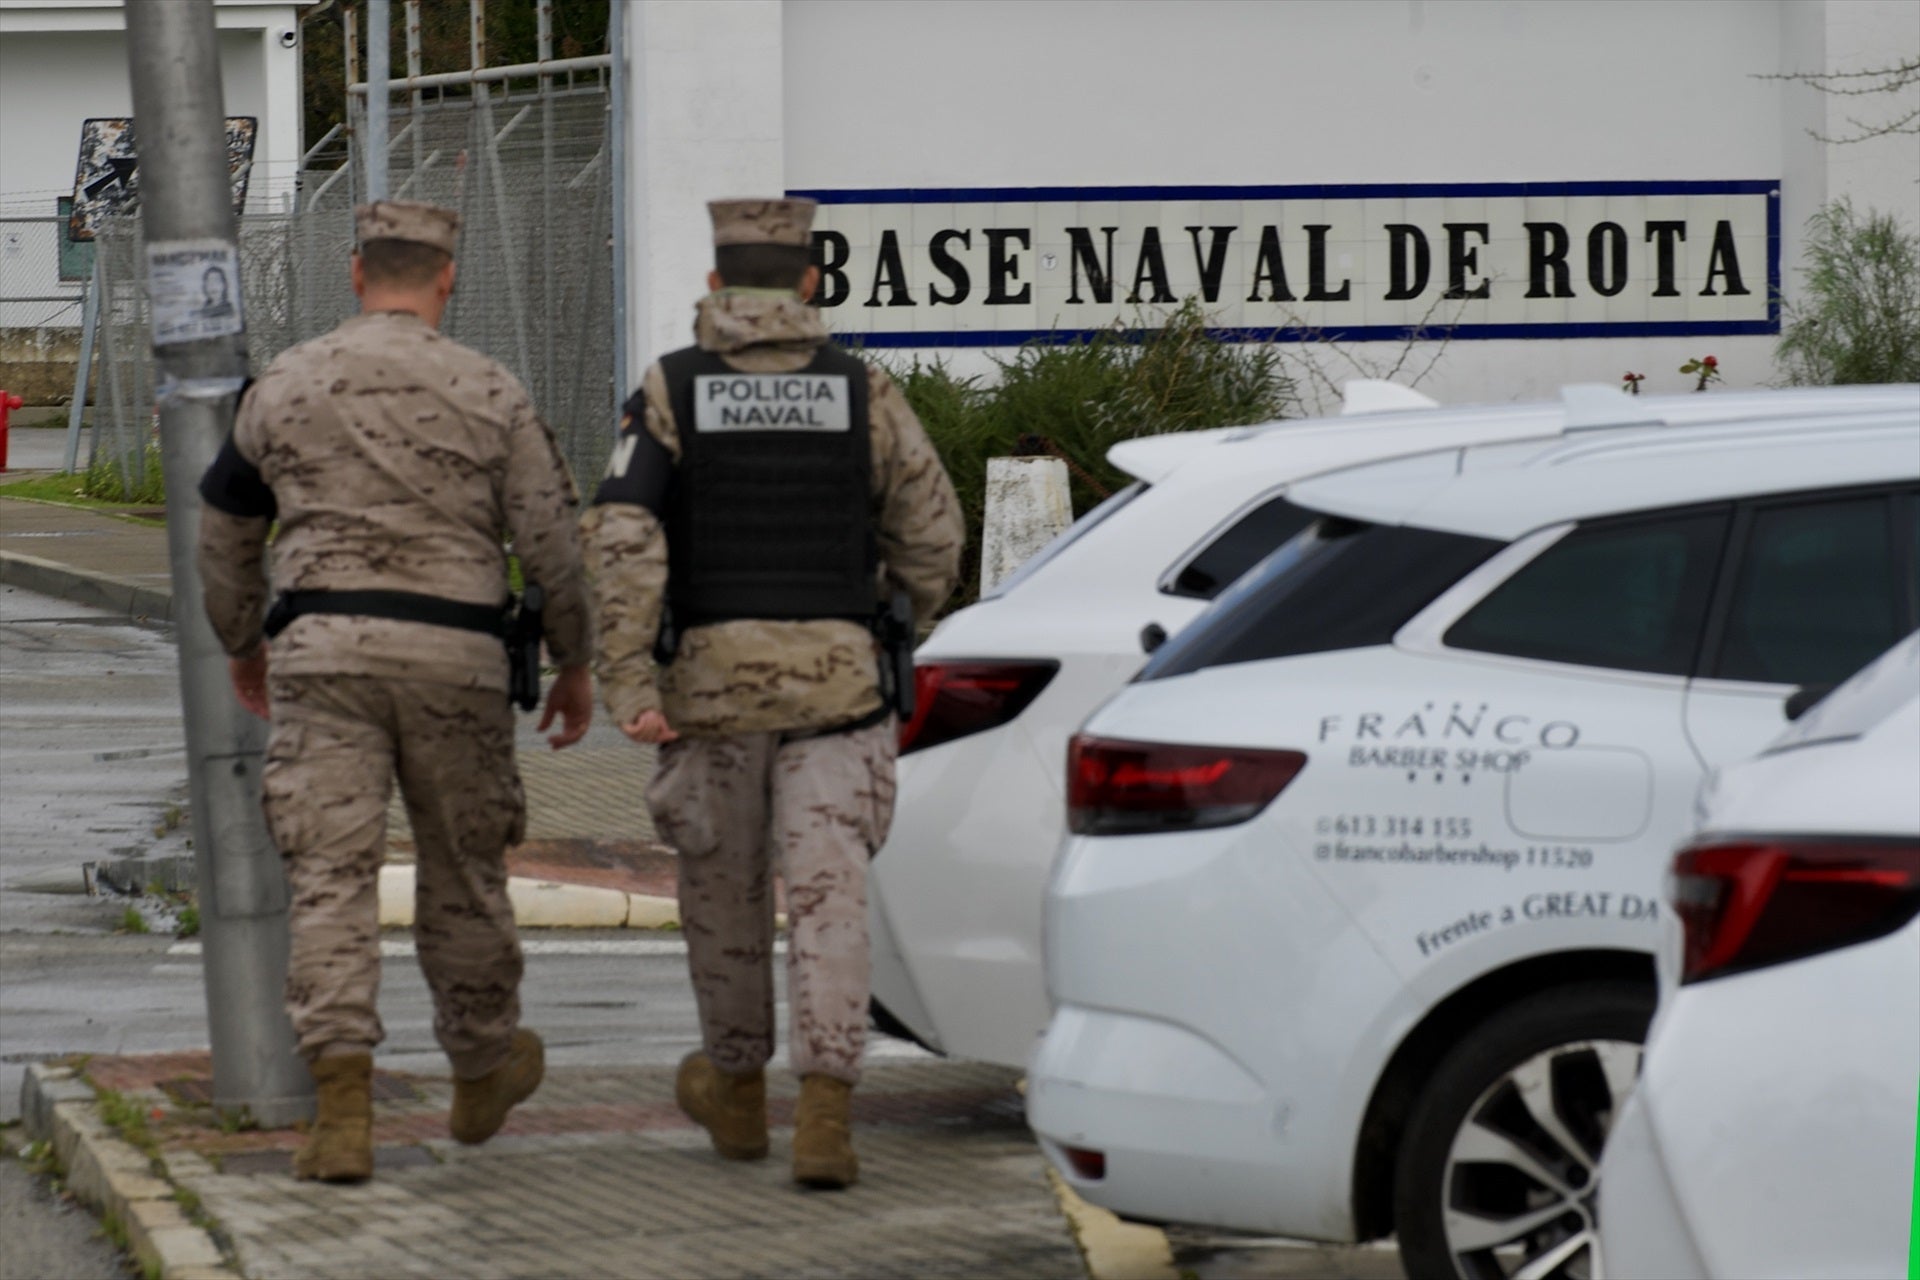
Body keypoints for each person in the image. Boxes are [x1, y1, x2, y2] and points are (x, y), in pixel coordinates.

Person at [196, 199, 594, 1183]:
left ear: (354, 269)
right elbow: (552, 538)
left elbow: (223, 526)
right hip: (457, 656)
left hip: (324, 656)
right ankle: (482, 1063)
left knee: (330, 875)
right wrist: (576, 657)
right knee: (464, 868)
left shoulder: (284, 384)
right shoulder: (489, 388)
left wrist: (243, 639)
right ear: (447, 276)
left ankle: (340, 1111)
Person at [582, 197, 962, 1189]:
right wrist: (898, 612)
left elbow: (623, 538)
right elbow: (934, 534)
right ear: (809, 286)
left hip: (710, 692)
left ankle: (740, 1099)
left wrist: (629, 679)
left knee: (724, 893)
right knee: (832, 894)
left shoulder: (672, 388)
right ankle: (828, 1115)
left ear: (715, 288)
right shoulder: (862, 389)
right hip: (839, 689)